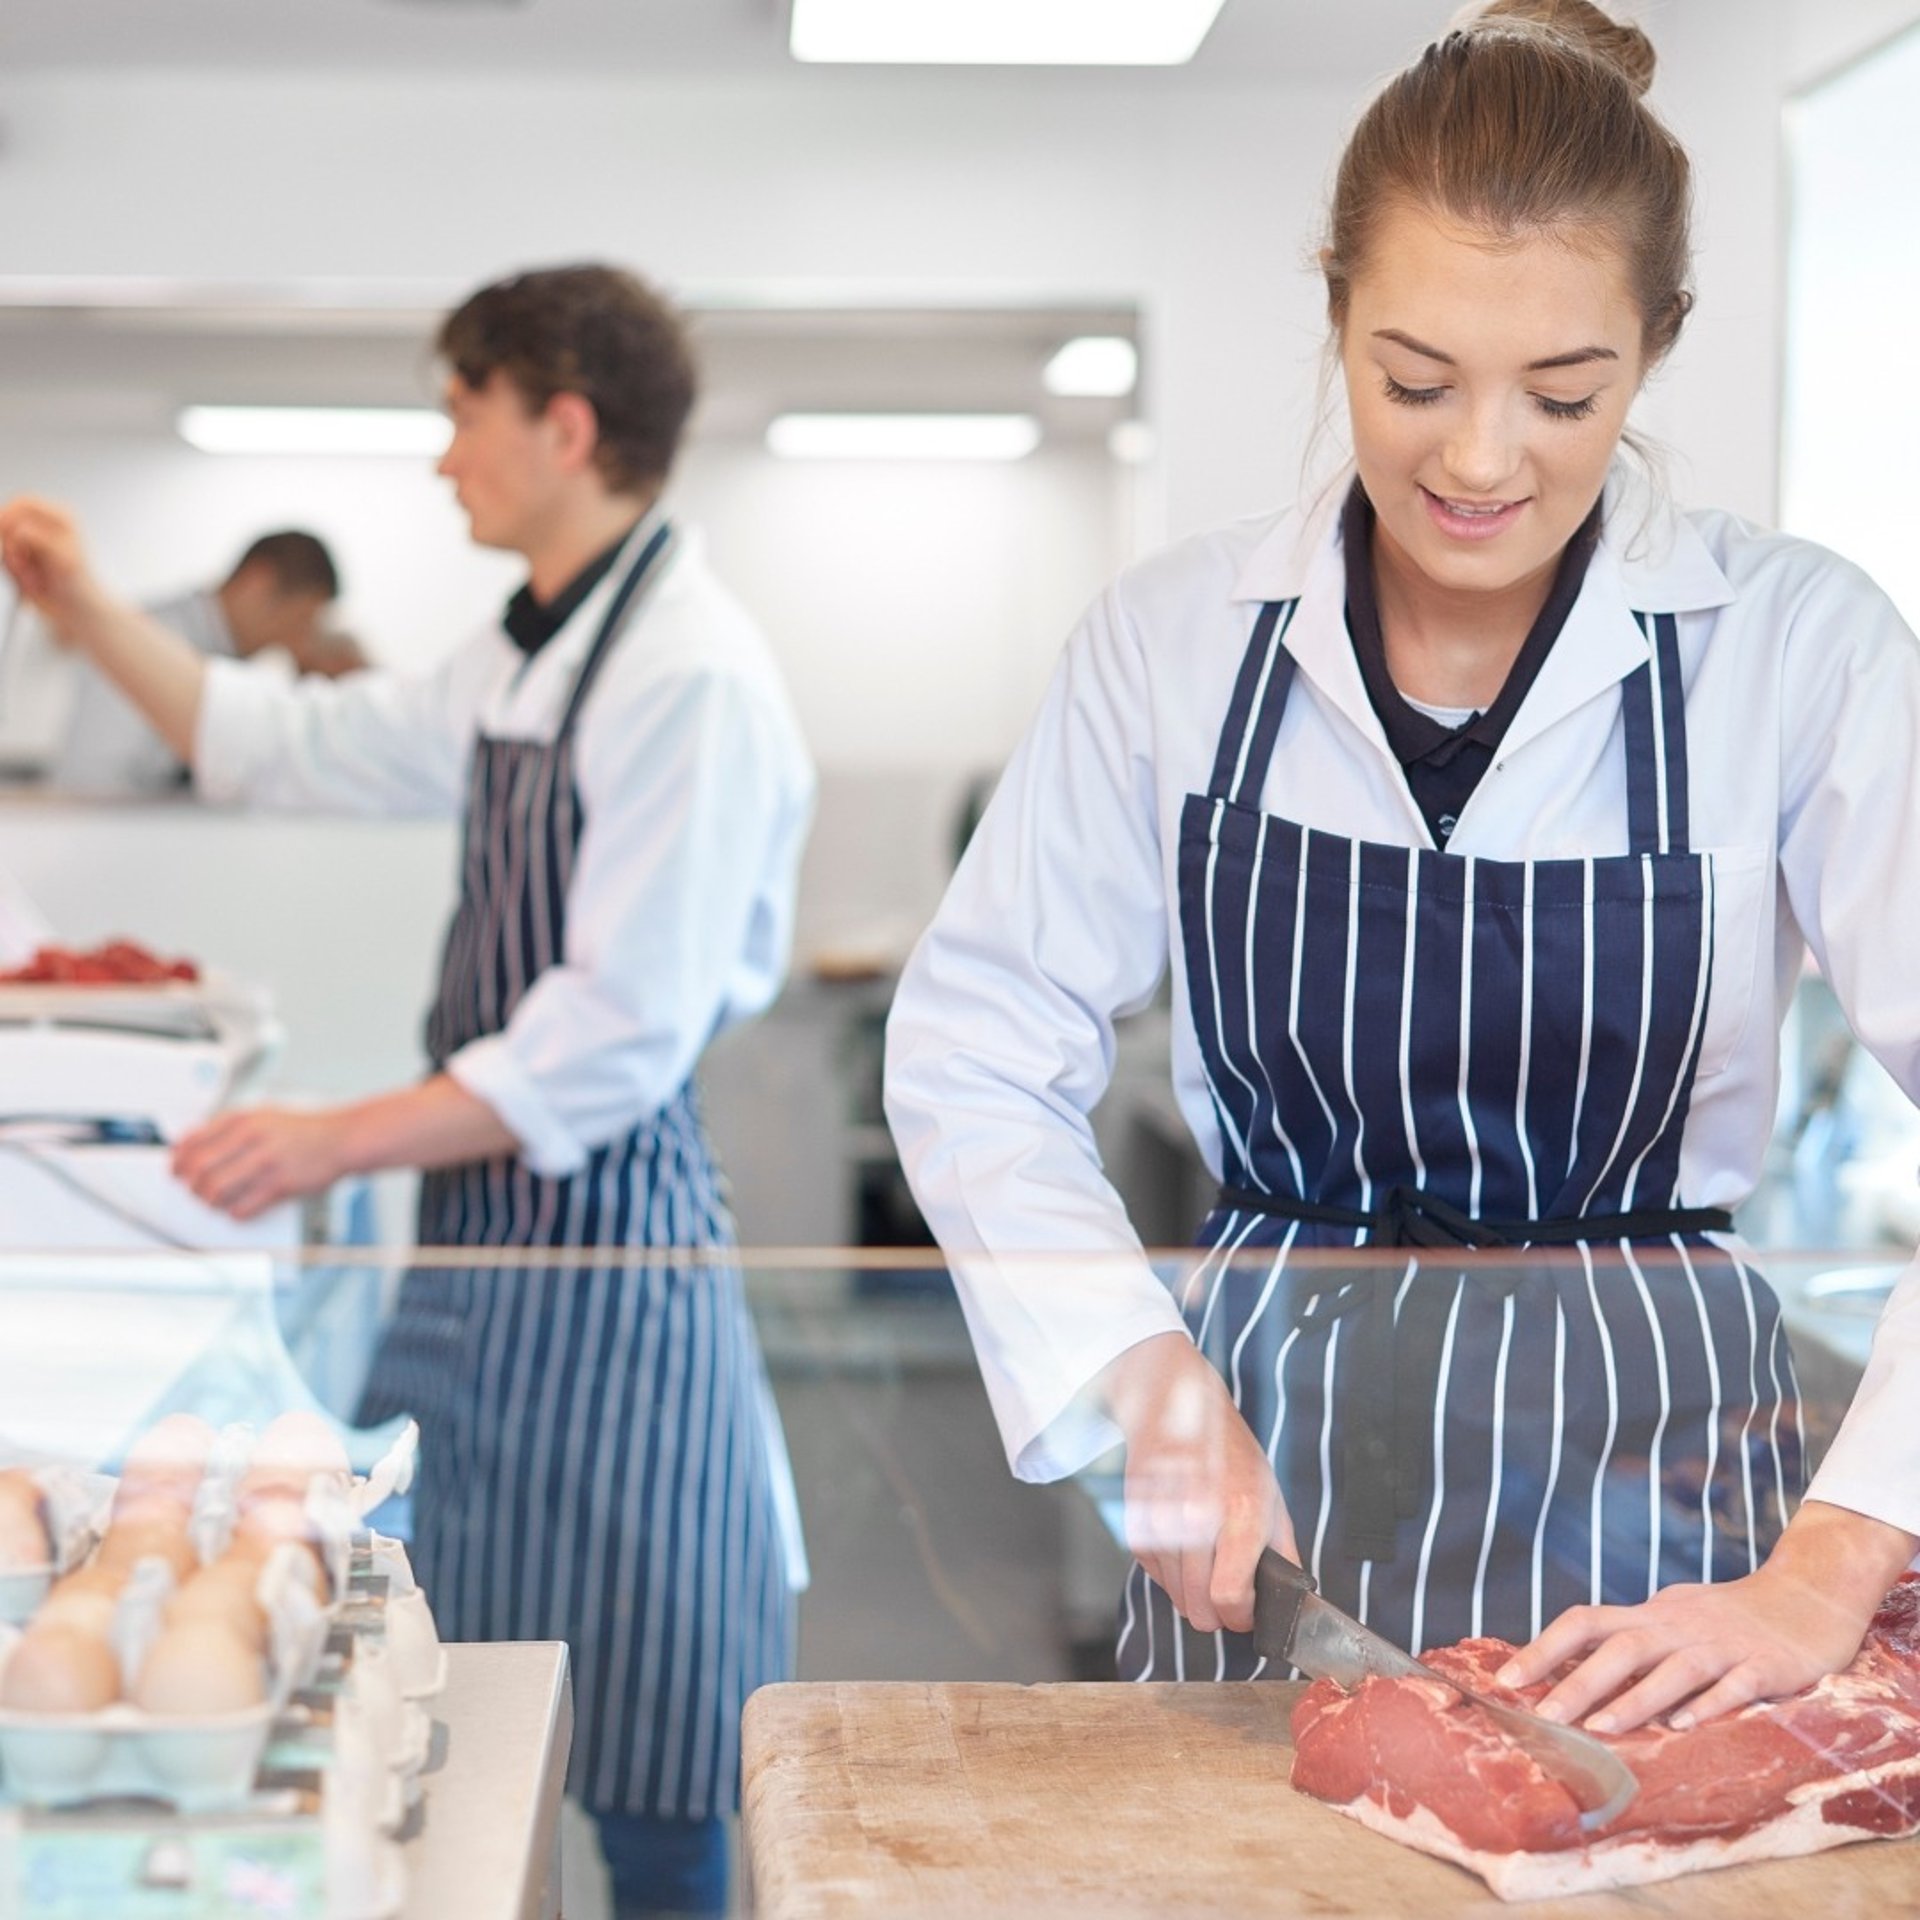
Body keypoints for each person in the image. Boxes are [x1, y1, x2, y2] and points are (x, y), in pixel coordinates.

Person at [885, 0, 1920, 1739]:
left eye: (1564, 393)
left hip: (1655, 1502)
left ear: (1654, 351)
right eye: (1415, 378)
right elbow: (977, 1042)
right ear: (1334, 315)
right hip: (1266, 1495)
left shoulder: (1799, 651)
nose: (1480, 459)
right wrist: (1132, 1373)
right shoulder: (1175, 643)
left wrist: (1832, 1563)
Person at [0, 263, 815, 1917]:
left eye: (464, 412)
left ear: (561, 425)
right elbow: (287, 742)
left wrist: (327, 1140)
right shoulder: (528, 654)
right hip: (478, 1246)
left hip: (614, 1252)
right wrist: (84, 608)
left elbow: (610, 1037)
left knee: (660, 1754)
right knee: (450, 1704)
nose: (443, 455)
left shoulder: (688, 675)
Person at [49, 528, 351, 796]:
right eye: (301, 620)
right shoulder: (149, 639)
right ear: (259, 583)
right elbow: (91, 781)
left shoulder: (224, 658)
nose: (297, 641)